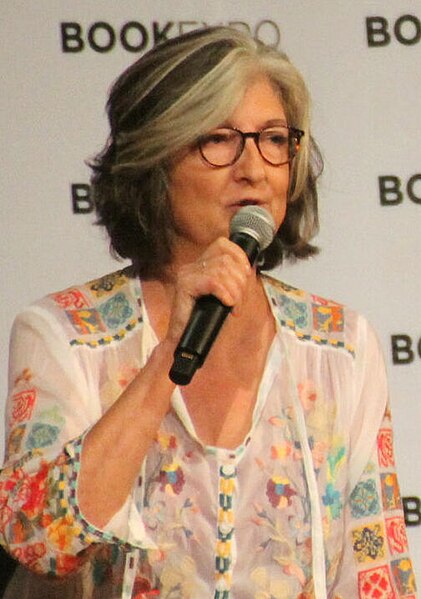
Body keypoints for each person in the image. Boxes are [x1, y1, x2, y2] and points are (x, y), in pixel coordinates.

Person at [0, 26, 416, 599]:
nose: (254, 168)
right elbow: (41, 541)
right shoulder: (65, 335)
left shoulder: (341, 346)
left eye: (274, 139)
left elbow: (378, 576)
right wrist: (168, 355)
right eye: (220, 139)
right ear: (154, 158)